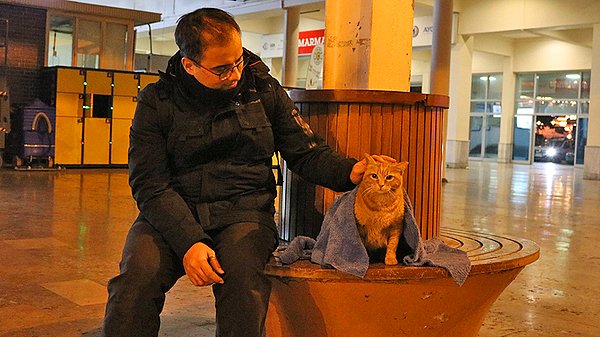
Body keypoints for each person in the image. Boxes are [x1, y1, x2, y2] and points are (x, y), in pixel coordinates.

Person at [102, 7, 394, 337]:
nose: (235, 73)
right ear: (189, 65)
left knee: (244, 288)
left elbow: (304, 150)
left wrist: (349, 170)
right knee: (134, 282)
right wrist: (189, 242)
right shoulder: (157, 101)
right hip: (174, 212)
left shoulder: (263, 89)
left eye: (238, 60)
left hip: (244, 214)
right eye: (222, 68)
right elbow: (149, 184)